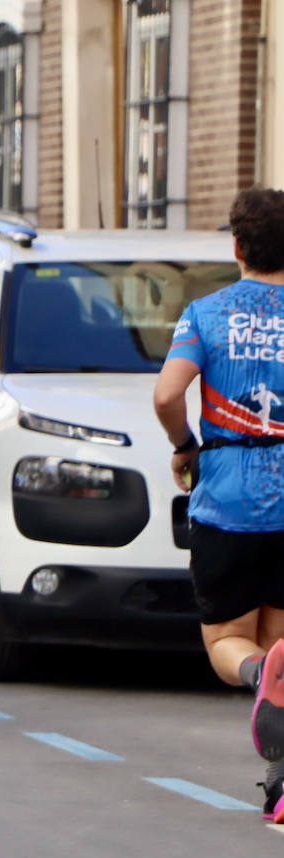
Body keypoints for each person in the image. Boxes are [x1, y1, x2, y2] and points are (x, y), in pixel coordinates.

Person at [152, 187, 284, 822]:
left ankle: (257, 675)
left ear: (237, 247)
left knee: (229, 640)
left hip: (228, 494)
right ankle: (283, 780)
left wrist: (185, 444)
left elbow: (166, 395)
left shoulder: (205, 314)